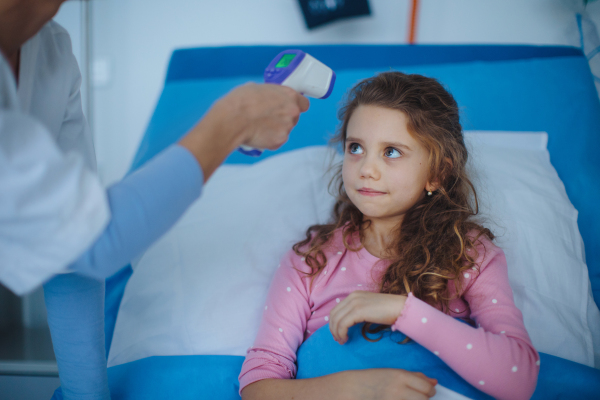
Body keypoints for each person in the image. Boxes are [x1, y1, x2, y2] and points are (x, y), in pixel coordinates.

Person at [0, 0, 308, 398]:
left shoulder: (52, 52)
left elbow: (72, 247)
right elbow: (96, 237)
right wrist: (233, 122)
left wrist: (86, 394)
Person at [239, 72, 540, 400]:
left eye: (391, 152)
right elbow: (258, 386)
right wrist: (352, 389)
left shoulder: (468, 255)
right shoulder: (311, 261)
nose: (367, 168)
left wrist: (402, 312)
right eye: (355, 148)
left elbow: (519, 380)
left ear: (437, 173)